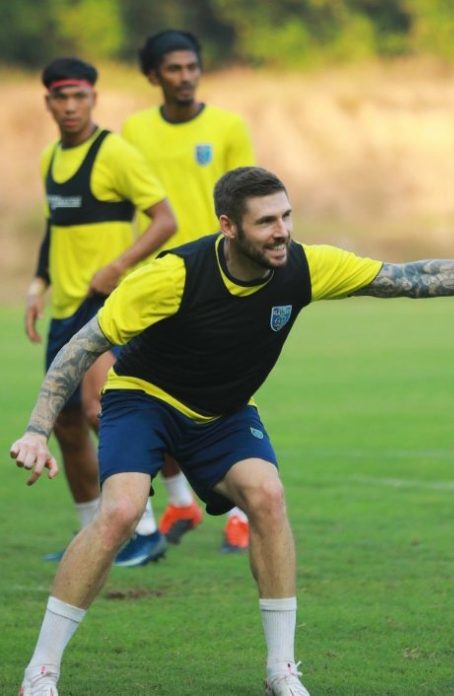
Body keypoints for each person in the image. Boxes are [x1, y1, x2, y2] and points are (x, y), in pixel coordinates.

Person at [12, 166, 454, 696]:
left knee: (267, 495)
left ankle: (281, 670)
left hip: (223, 413)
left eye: (286, 216)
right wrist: (37, 429)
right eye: (265, 221)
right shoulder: (172, 276)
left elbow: (408, 279)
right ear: (228, 226)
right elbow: (82, 346)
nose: (282, 231)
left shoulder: (304, 267)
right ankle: (41, 671)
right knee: (121, 512)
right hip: (145, 399)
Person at [25, 57, 177, 567]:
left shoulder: (115, 153)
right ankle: (92, 535)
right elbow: (55, 229)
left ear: (94, 98)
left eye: (80, 97)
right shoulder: (50, 158)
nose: (71, 107)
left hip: (108, 305)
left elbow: (165, 220)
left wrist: (118, 265)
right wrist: (38, 285)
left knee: (99, 410)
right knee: (67, 424)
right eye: (61, 98)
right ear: (48, 102)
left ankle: (144, 530)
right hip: (65, 308)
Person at [122, 29, 256, 552]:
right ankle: (180, 502)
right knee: (155, 392)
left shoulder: (227, 127)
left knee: (226, 397)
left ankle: (242, 512)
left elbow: (248, 198)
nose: (185, 77)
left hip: (219, 279)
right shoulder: (134, 131)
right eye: (173, 68)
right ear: (153, 75)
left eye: (191, 67)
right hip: (158, 281)